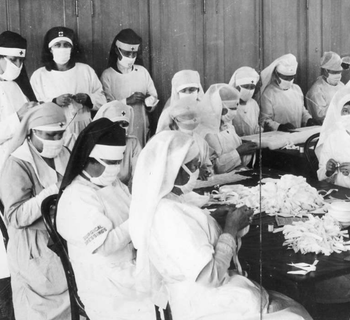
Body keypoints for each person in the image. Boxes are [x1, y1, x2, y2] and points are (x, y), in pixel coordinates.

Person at [129, 130, 313, 320]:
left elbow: (190, 237)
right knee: (293, 315)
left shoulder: (169, 202)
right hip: (205, 303)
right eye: (192, 166)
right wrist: (230, 229)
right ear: (174, 169)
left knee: (285, 306)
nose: (197, 172)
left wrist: (214, 219)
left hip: (207, 294)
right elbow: (209, 276)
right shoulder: (167, 215)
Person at [56, 118, 155, 320]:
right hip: (104, 284)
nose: (116, 169)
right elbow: (105, 246)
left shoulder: (113, 184)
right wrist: (139, 218)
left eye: (119, 162)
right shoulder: (77, 196)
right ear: (89, 159)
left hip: (129, 270)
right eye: (110, 163)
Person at [0, 30, 39, 320]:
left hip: (19, 169)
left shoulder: (18, 87)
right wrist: (18, 116)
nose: (18, 66)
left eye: (21, 60)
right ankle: (1, 307)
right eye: (12, 60)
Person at [0, 103, 70, 320]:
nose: (56, 140)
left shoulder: (63, 153)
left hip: (61, 234)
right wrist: (50, 192)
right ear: (32, 132)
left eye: (61, 134)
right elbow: (16, 216)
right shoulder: (18, 163)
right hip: (32, 242)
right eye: (50, 135)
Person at [30, 26, 106, 141]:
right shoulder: (39, 75)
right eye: (57, 45)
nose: (62, 48)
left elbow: (103, 100)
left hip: (83, 127)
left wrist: (88, 99)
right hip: (53, 130)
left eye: (66, 45)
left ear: (72, 48)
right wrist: (54, 102)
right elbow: (34, 107)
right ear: (50, 49)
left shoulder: (85, 70)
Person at [100, 29, 158, 146]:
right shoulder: (107, 75)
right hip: (118, 127)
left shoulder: (142, 72)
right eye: (127, 53)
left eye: (134, 54)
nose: (131, 57)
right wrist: (127, 101)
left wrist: (148, 101)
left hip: (140, 125)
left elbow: (154, 96)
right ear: (117, 50)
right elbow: (106, 107)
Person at [198, 84, 258, 174]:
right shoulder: (207, 133)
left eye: (235, 108)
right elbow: (214, 168)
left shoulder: (228, 126)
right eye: (230, 109)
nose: (234, 113)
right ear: (217, 108)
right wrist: (238, 152)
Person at [92, 101, 142, 189]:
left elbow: (138, 175)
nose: (120, 128)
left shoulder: (132, 143)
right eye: (116, 124)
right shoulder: (95, 145)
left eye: (124, 124)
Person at [259, 53, 314, 131]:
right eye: (285, 78)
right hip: (277, 137)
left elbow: (302, 111)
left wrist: (308, 119)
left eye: (291, 78)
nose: (289, 81)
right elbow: (264, 120)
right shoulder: (269, 93)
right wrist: (279, 126)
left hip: (296, 134)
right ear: (277, 75)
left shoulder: (296, 89)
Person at [168, 97, 214, 180]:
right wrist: (196, 172)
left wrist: (206, 170)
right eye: (184, 117)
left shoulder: (201, 142)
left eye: (191, 116)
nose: (189, 120)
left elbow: (206, 164)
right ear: (174, 122)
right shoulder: (169, 142)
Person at [305, 51, 345, 124]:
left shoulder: (341, 86)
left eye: (339, 72)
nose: (338, 75)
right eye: (334, 72)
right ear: (325, 71)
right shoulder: (316, 91)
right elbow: (320, 115)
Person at [229, 66, 262, 136]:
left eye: (252, 87)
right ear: (237, 87)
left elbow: (255, 127)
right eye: (246, 87)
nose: (249, 90)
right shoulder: (229, 104)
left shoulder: (254, 104)